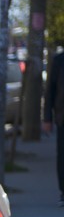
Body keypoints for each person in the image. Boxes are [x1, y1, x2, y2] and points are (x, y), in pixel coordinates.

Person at [42, 47, 64, 207]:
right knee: (62, 156)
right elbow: (50, 92)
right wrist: (47, 118)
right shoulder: (59, 61)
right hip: (62, 117)